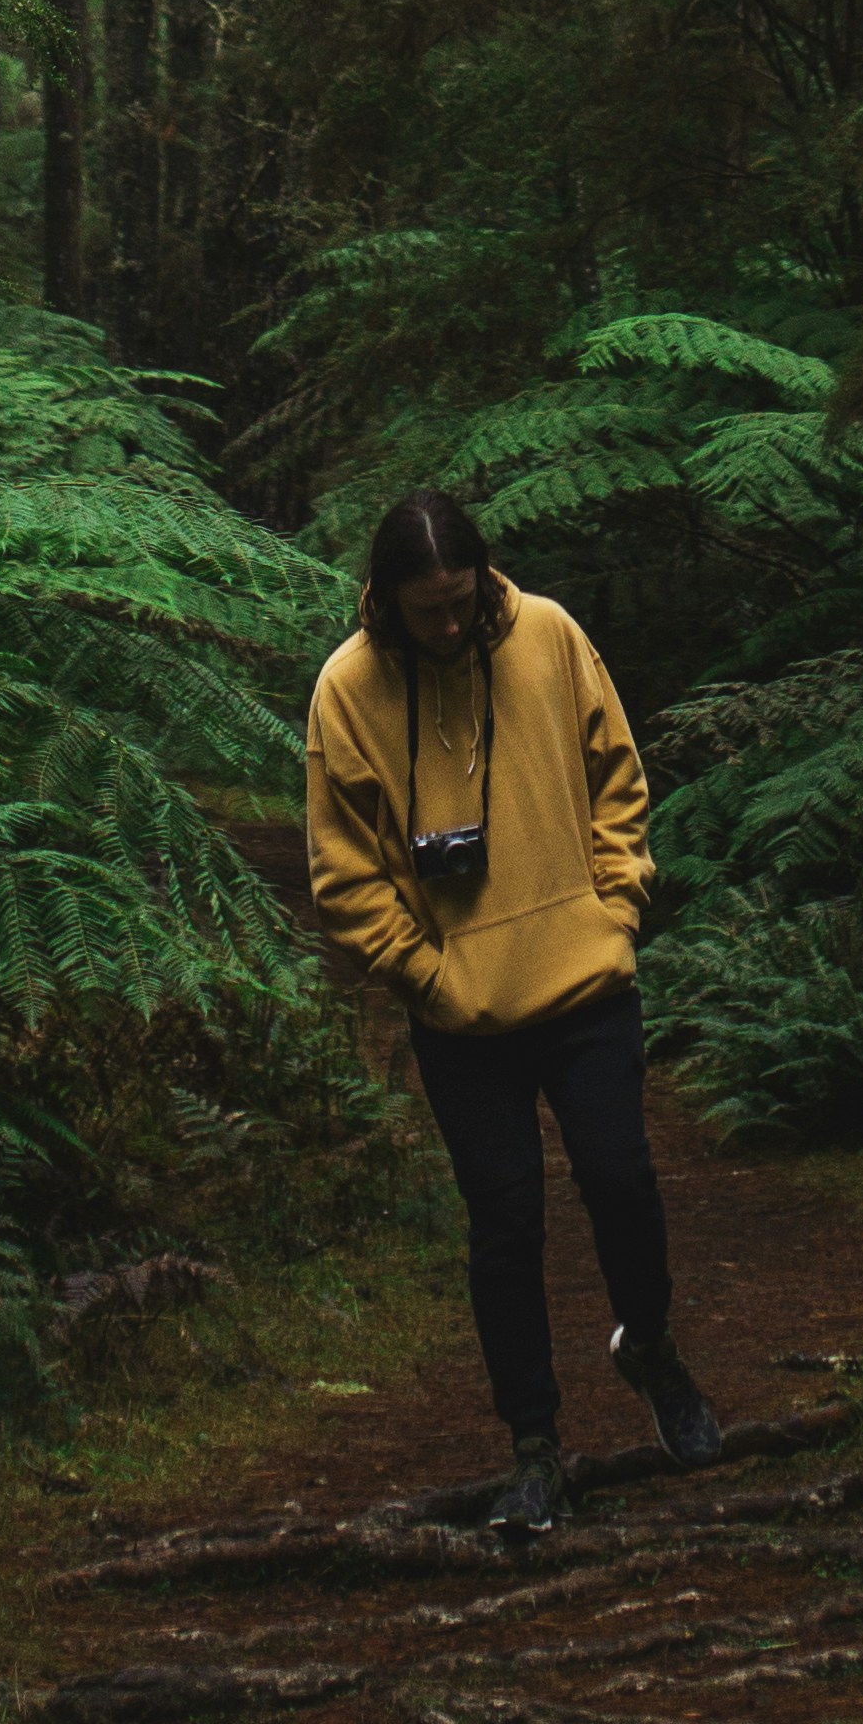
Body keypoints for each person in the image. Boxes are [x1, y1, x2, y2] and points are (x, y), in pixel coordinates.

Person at [303, 486, 725, 1536]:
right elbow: (343, 873)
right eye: (425, 611)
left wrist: (618, 906)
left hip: (583, 981)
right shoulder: (347, 692)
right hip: (460, 1016)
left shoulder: (547, 634)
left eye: (460, 603)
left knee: (620, 1178)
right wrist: (425, 975)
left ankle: (651, 1345)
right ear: (386, 601)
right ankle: (533, 1445)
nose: (447, 626)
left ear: (484, 580)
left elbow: (617, 775)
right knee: (507, 1225)